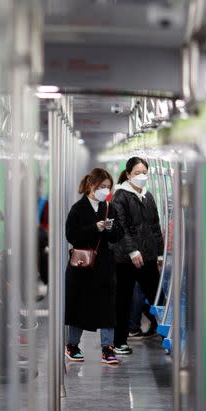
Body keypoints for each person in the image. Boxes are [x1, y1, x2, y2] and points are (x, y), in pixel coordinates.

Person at [64, 167, 124, 365]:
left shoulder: (109, 207)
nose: (105, 191)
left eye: (108, 187)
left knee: (108, 308)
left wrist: (110, 229)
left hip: (104, 265)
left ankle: (108, 348)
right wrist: (93, 228)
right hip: (83, 265)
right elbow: (72, 236)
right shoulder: (78, 208)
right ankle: (72, 345)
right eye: (102, 187)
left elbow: (118, 234)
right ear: (91, 186)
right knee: (80, 307)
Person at [110, 156, 164, 355]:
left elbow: (155, 227)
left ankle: (169, 334)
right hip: (125, 258)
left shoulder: (147, 196)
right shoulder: (120, 196)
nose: (141, 176)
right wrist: (132, 251)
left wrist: (159, 254)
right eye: (137, 173)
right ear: (128, 174)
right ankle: (119, 341)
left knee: (158, 297)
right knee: (123, 300)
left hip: (148, 257)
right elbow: (121, 227)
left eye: (144, 172)